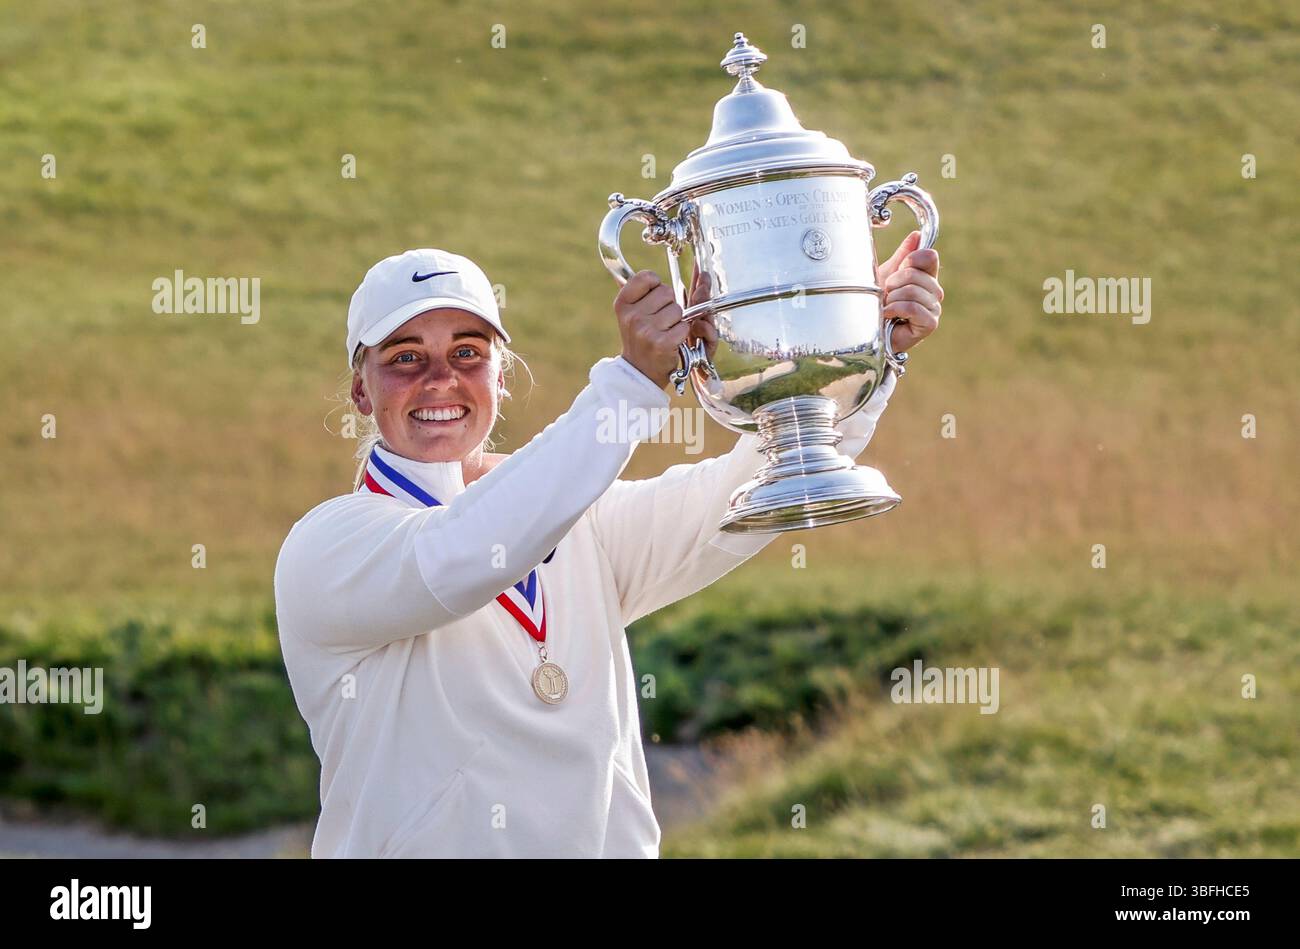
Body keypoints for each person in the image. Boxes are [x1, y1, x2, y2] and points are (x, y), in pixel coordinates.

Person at [275, 238, 943, 858]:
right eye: (404, 358)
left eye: (469, 352)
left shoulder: (578, 518)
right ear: (361, 389)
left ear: (500, 377)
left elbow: (755, 489)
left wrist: (862, 349)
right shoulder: (328, 546)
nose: (441, 378)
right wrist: (631, 382)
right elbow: (464, 553)